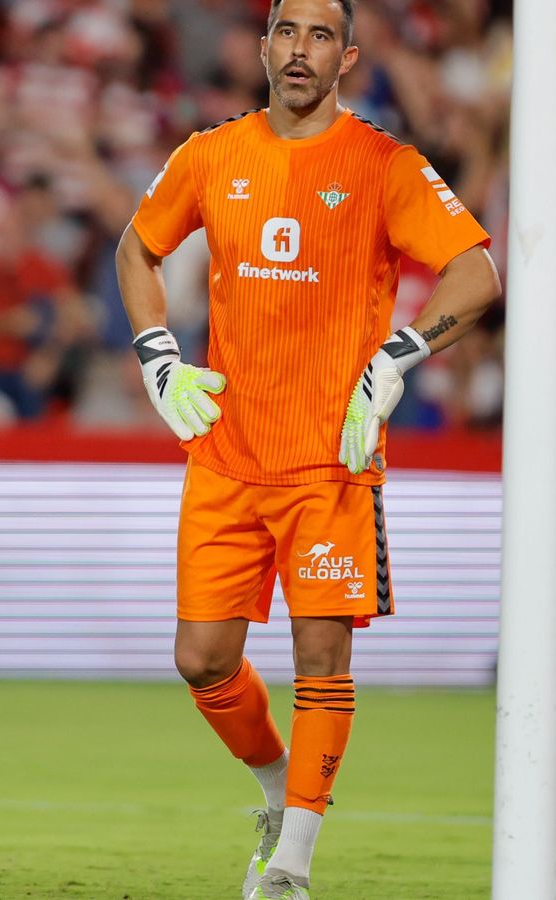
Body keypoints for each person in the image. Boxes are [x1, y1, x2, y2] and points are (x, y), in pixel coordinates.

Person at [114, 1, 500, 897]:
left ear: (348, 57)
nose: (300, 49)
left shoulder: (381, 164)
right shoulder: (211, 154)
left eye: (321, 36)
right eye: (287, 31)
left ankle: (292, 863)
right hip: (225, 450)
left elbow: (477, 271)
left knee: (322, 660)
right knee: (201, 658)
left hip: (331, 459)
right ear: (261, 48)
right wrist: (158, 358)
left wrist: (399, 356)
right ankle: (274, 792)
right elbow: (137, 249)